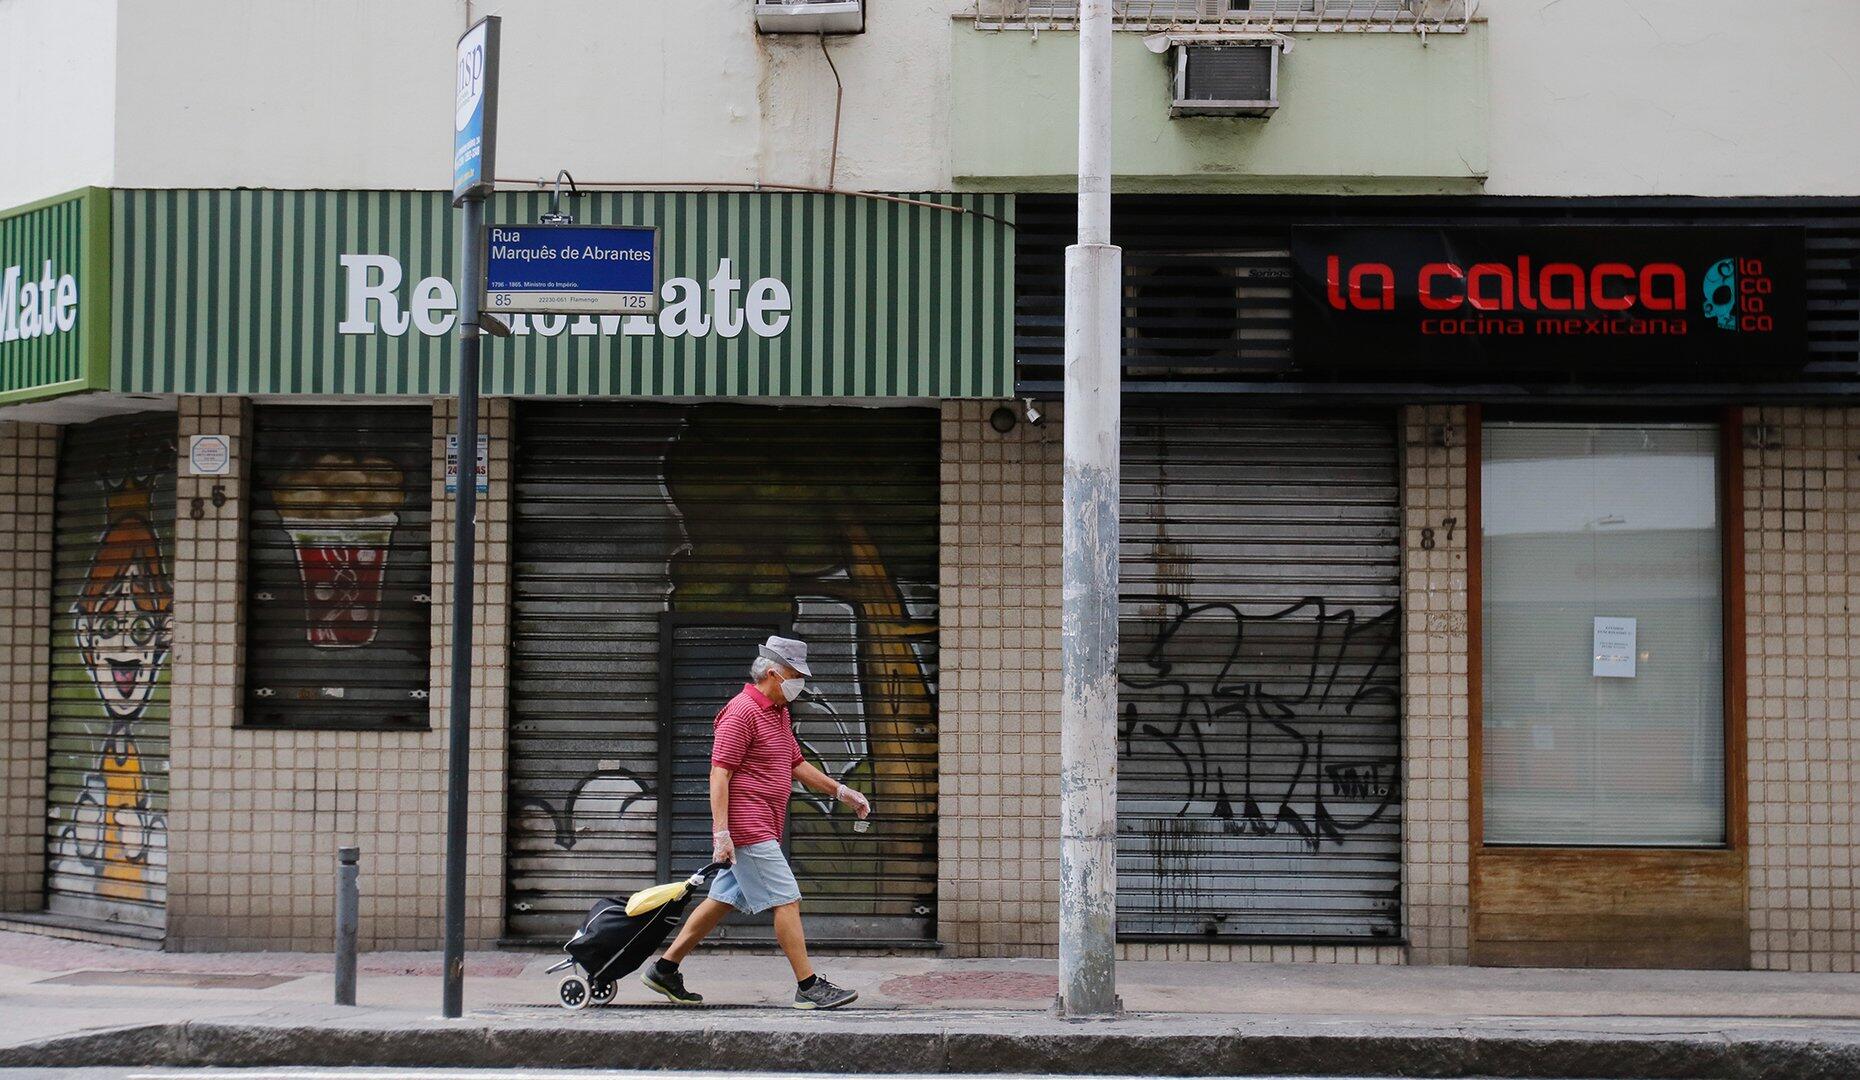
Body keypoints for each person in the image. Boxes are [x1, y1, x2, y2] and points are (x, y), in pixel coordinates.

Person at [642, 635, 871, 1010]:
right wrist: (722, 833)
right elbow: (719, 774)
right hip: (748, 827)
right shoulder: (742, 712)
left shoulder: (777, 711)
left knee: (722, 899)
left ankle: (664, 969)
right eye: (795, 675)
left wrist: (842, 792)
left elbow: (795, 764)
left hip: (765, 821)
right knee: (787, 899)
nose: (801, 683)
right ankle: (808, 986)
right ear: (772, 673)